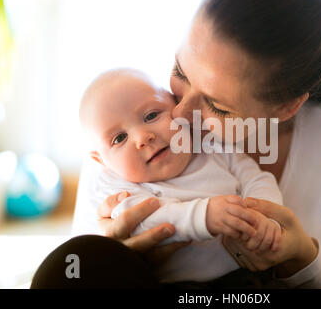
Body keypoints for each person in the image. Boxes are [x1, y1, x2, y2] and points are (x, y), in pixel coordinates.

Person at [32, 0, 321, 289]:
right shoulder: (128, 120)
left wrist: (301, 258)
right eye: (180, 72)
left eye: (216, 106)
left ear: (286, 107)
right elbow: (76, 267)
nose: (179, 113)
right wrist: (109, 249)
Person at [76, 68, 283, 282]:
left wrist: (267, 218)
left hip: (252, 273)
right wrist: (203, 216)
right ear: (101, 161)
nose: (142, 138)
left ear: (176, 107)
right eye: (119, 138)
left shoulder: (214, 147)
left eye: (151, 115)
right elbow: (142, 223)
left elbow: (258, 179)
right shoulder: (120, 187)